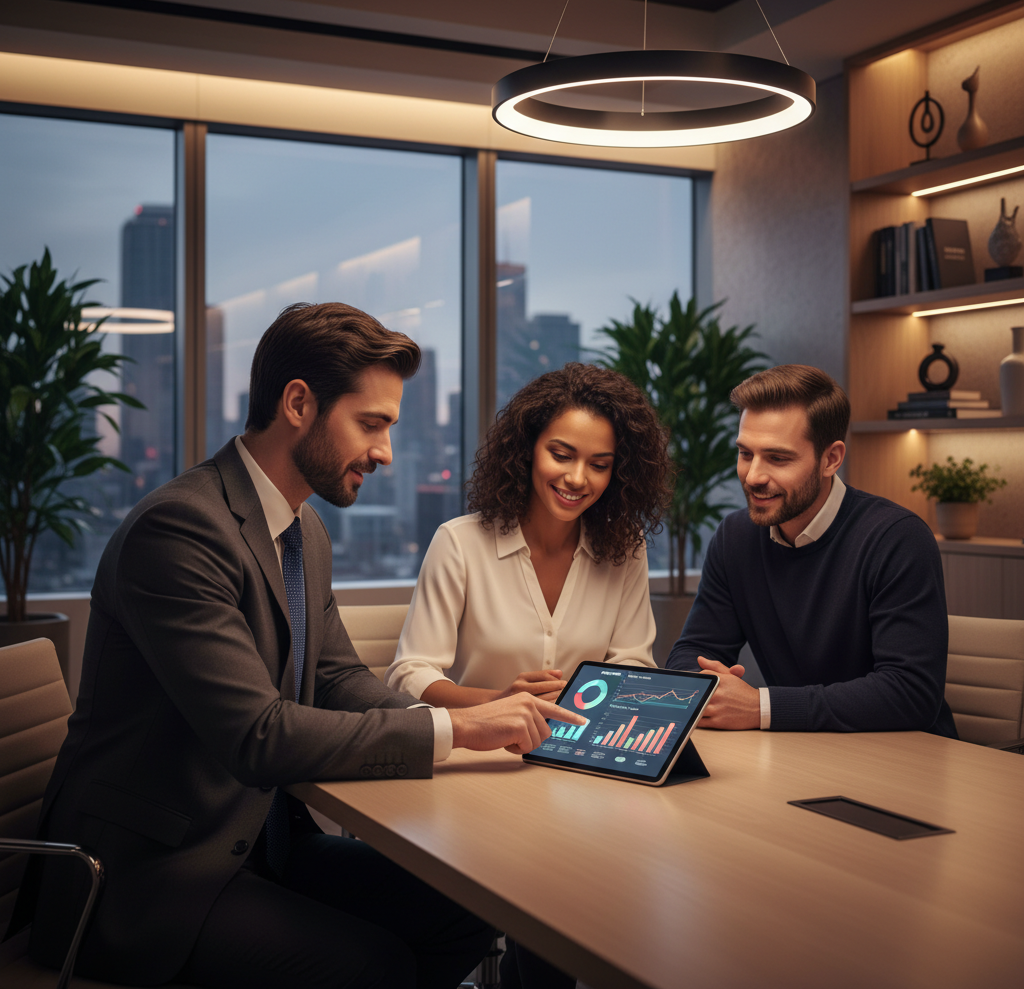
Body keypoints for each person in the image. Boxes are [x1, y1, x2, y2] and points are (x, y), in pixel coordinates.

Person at [15, 302, 584, 989]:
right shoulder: (180, 531)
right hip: (149, 879)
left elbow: (339, 674)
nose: (384, 452)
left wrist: (480, 718)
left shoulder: (301, 531)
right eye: (370, 424)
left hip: (260, 845)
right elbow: (257, 736)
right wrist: (455, 728)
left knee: (469, 906)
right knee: (373, 966)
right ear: (298, 404)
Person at [387, 362, 672, 988]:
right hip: (478, 781)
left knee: (590, 916)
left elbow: (634, 663)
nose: (577, 478)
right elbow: (409, 674)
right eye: (562, 454)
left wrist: (586, 696)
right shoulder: (459, 543)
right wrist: (497, 704)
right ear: (528, 448)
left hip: (585, 781)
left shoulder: (624, 550)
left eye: (599, 464)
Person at [667, 364, 957, 737]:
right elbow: (692, 652)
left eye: (777, 458)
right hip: (800, 751)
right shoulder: (735, 537)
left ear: (831, 459)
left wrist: (761, 707)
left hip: (907, 759)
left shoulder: (897, 539)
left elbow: (910, 693)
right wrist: (707, 685)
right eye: (745, 454)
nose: (753, 475)